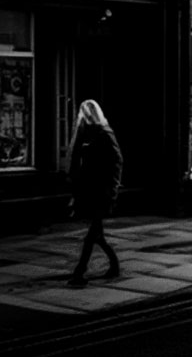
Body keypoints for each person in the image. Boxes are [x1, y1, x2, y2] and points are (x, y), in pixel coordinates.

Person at [67, 100, 123, 288]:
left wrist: (113, 190)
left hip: (103, 191)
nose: (85, 116)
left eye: (87, 113)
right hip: (92, 191)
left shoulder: (105, 133)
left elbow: (117, 162)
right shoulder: (87, 133)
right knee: (97, 235)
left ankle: (79, 272)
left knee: (92, 236)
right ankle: (114, 266)